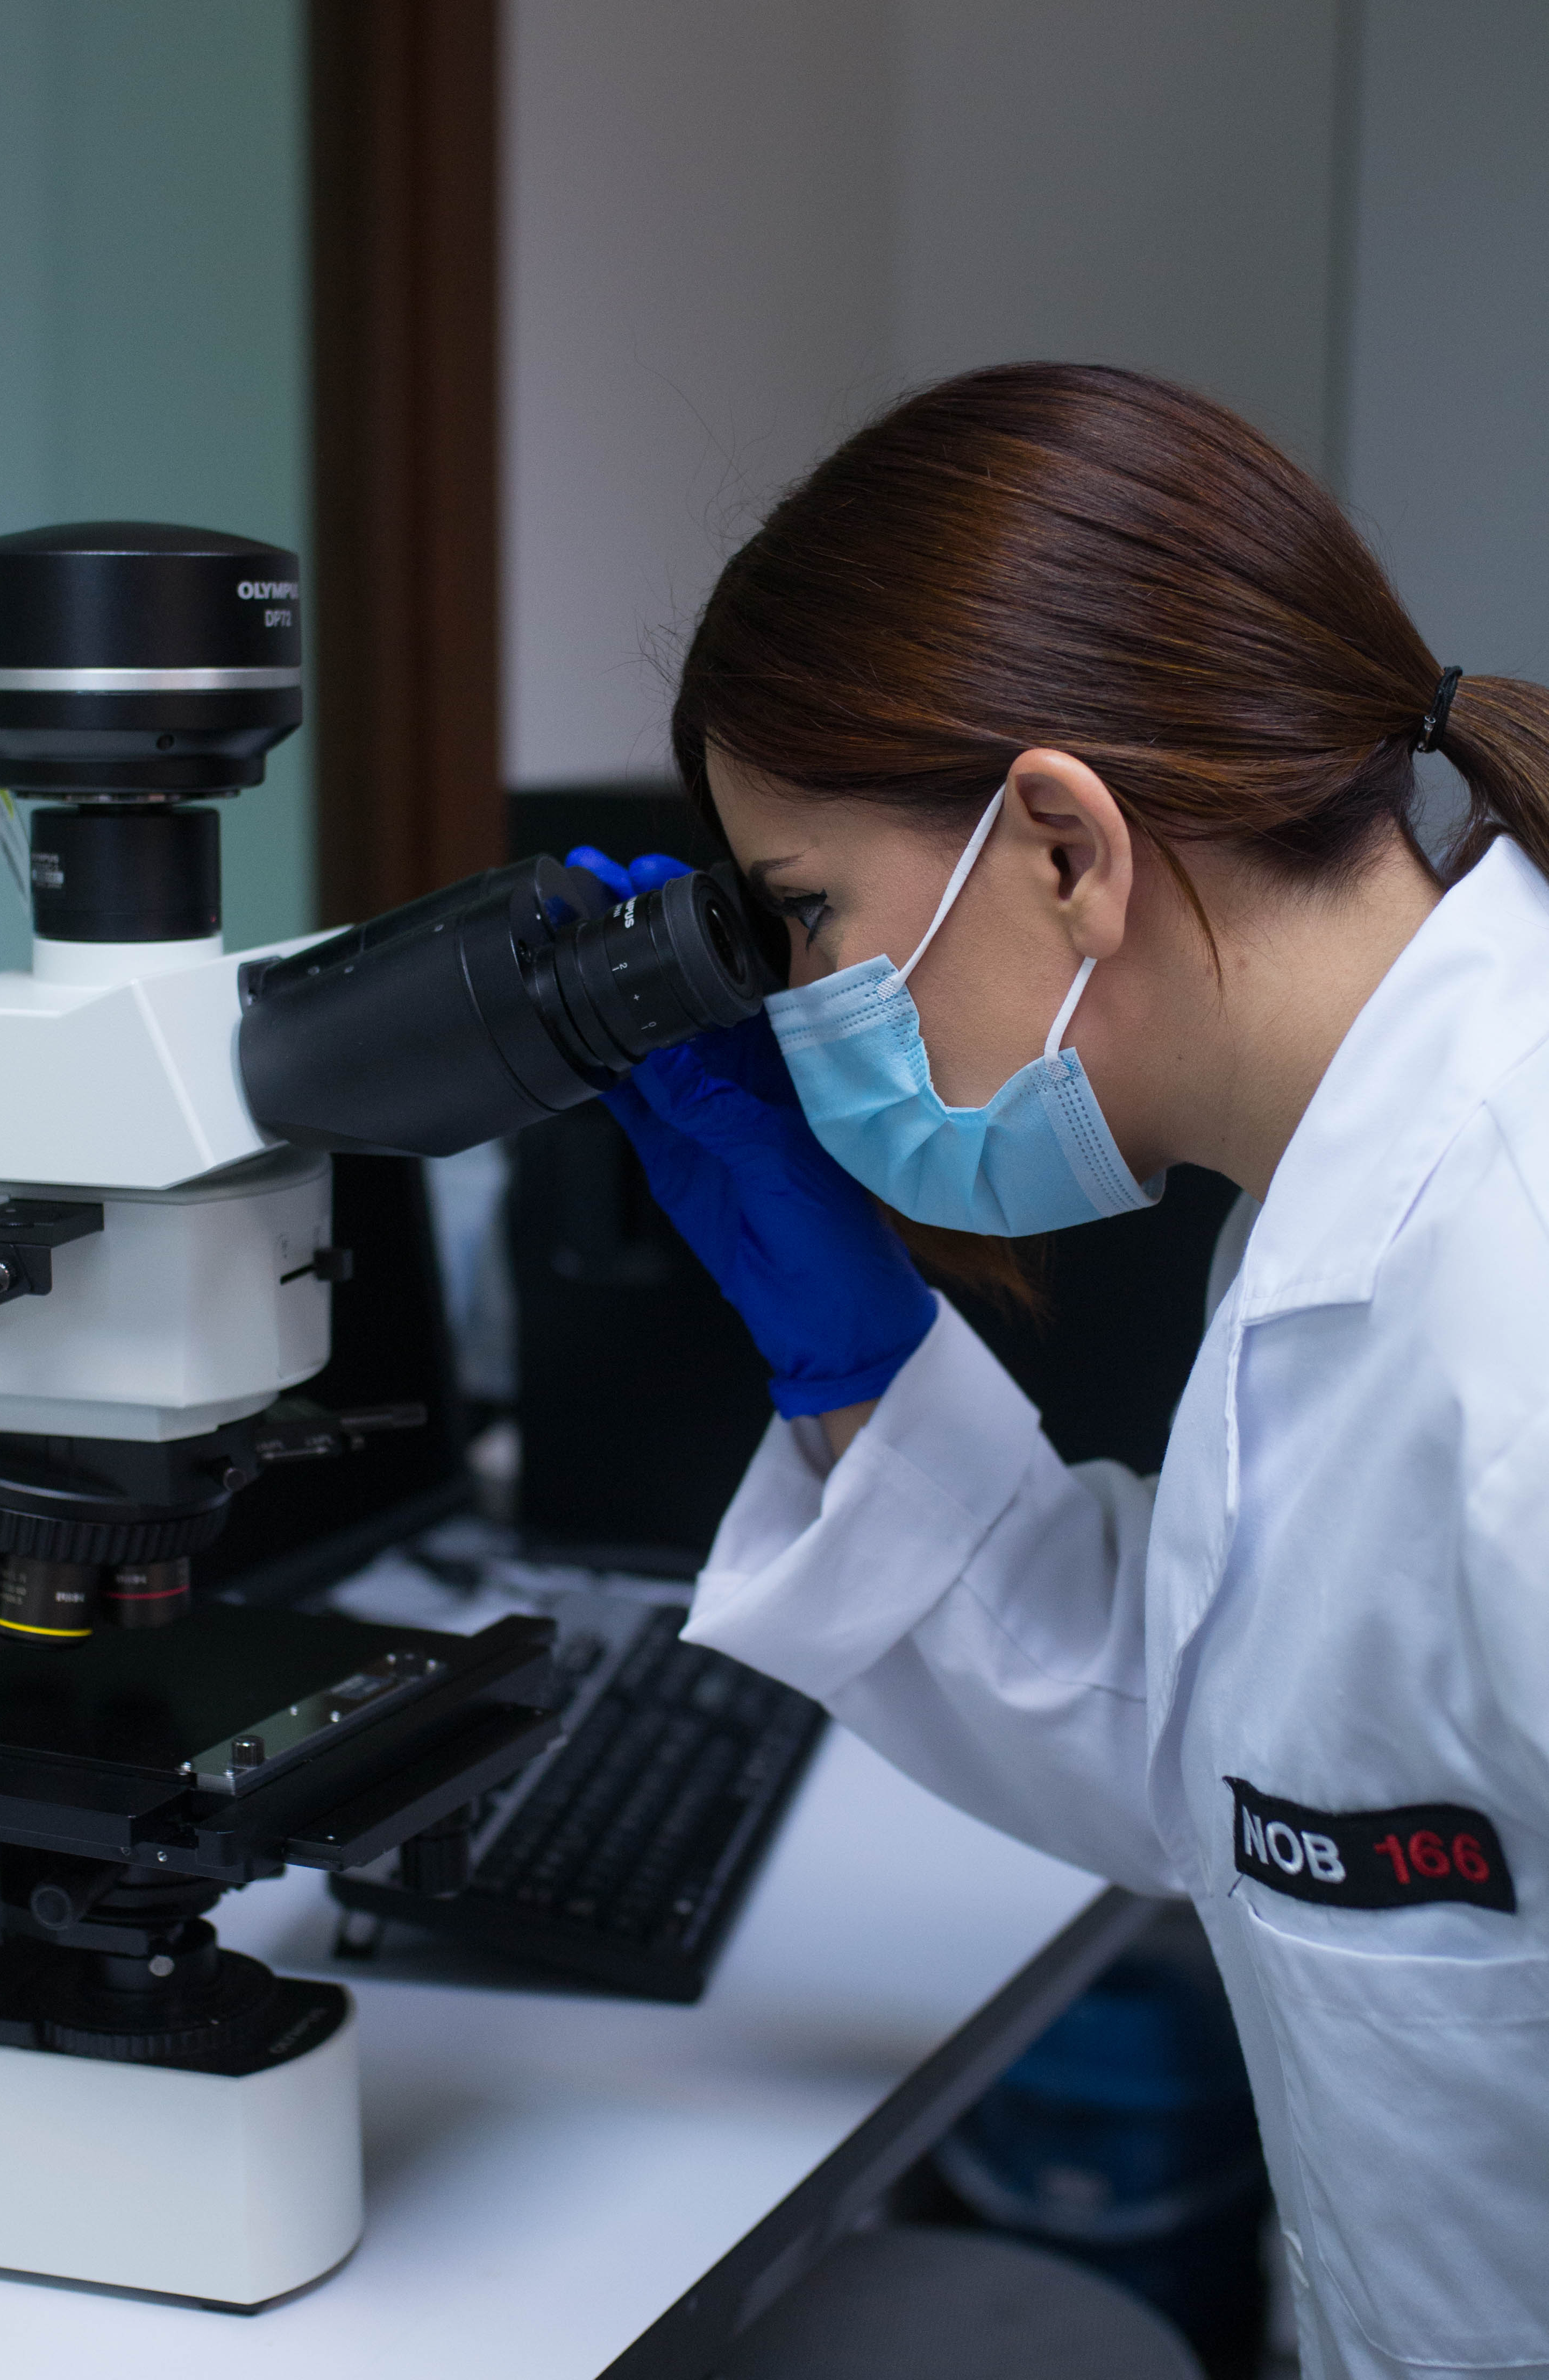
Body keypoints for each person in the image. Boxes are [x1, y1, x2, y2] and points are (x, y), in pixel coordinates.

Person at [591, 364, 1549, 2380]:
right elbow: (1232, 1748)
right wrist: (846, 1354)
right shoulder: (1336, 1216)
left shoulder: (1516, 1320)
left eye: (807, 918)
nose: (810, 1008)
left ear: (1058, 848)